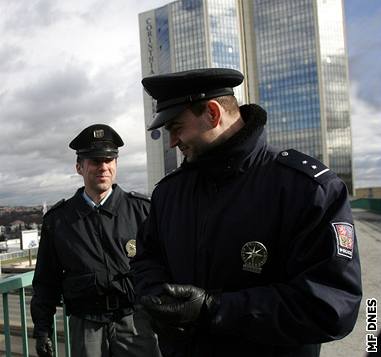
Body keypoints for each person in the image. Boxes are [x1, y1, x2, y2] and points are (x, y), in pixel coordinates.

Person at [131, 68, 362, 357]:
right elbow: (147, 259)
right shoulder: (169, 193)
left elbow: (331, 306)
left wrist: (213, 308)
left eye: (177, 127)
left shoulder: (306, 190)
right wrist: (157, 300)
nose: (173, 142)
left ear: (213, 114)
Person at [31, 124, 161, 357]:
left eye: (108, 160)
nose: (103, 167)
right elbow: (46, 280)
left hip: (135, 321)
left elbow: (163, 266)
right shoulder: (59, 220)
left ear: (116, 165)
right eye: (95, 161)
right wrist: (42, 329)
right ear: (79, 167)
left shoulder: (141, 211)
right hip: (86, 325)